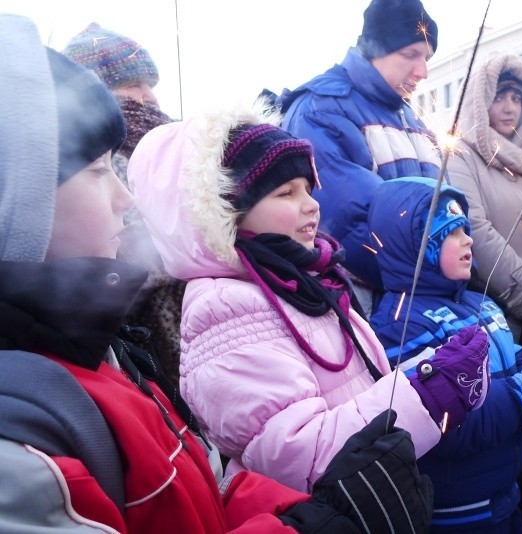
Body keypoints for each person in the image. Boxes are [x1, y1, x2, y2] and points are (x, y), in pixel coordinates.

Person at [0, 14, 436, 533]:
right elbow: (273, 447)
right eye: (98, 172)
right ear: (19, 200)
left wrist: (297, 510)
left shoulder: (109, 352)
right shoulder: (29, 427)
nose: (125, 196)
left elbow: (202, 480)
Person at [127, 104, 490, 493]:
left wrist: (429, 369)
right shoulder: (226, 309)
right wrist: (428, 391)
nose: (312, 204)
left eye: (308, 188)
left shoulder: (300, 281)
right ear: (226, 212)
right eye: (286, 192)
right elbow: (300, 455)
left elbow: (357, 391)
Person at [368, 176, 522, 532]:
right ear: (415, 244)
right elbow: (439, 422)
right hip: (456, 509)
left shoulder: (482, 302)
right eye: (450, 232)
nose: (468, 239)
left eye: (466, 227)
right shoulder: (399, 325)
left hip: (504, 490)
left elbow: (513, 360)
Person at [280, 0, 441, 304]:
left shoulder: (413, 118)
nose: (423, 71)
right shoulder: (320, 107)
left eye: (427, 58)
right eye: (411, 55)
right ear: (376, 48)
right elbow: (343, 222)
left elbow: (448, 206)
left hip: (424, 293)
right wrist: (434, 275)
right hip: (370, 303)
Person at [62, 22, 183, 384]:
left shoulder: (178, 152)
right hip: (143, 349)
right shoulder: (107, 160)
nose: (151, 97)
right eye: (135, 84)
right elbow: (123, 257)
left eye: (151, 84)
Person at [448, 53, 522, 340]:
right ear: (480, 101)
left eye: (516, 98)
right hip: (499, 315)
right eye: (499, 97)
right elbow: (475, 227)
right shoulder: (460, 157)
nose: (509, 108)